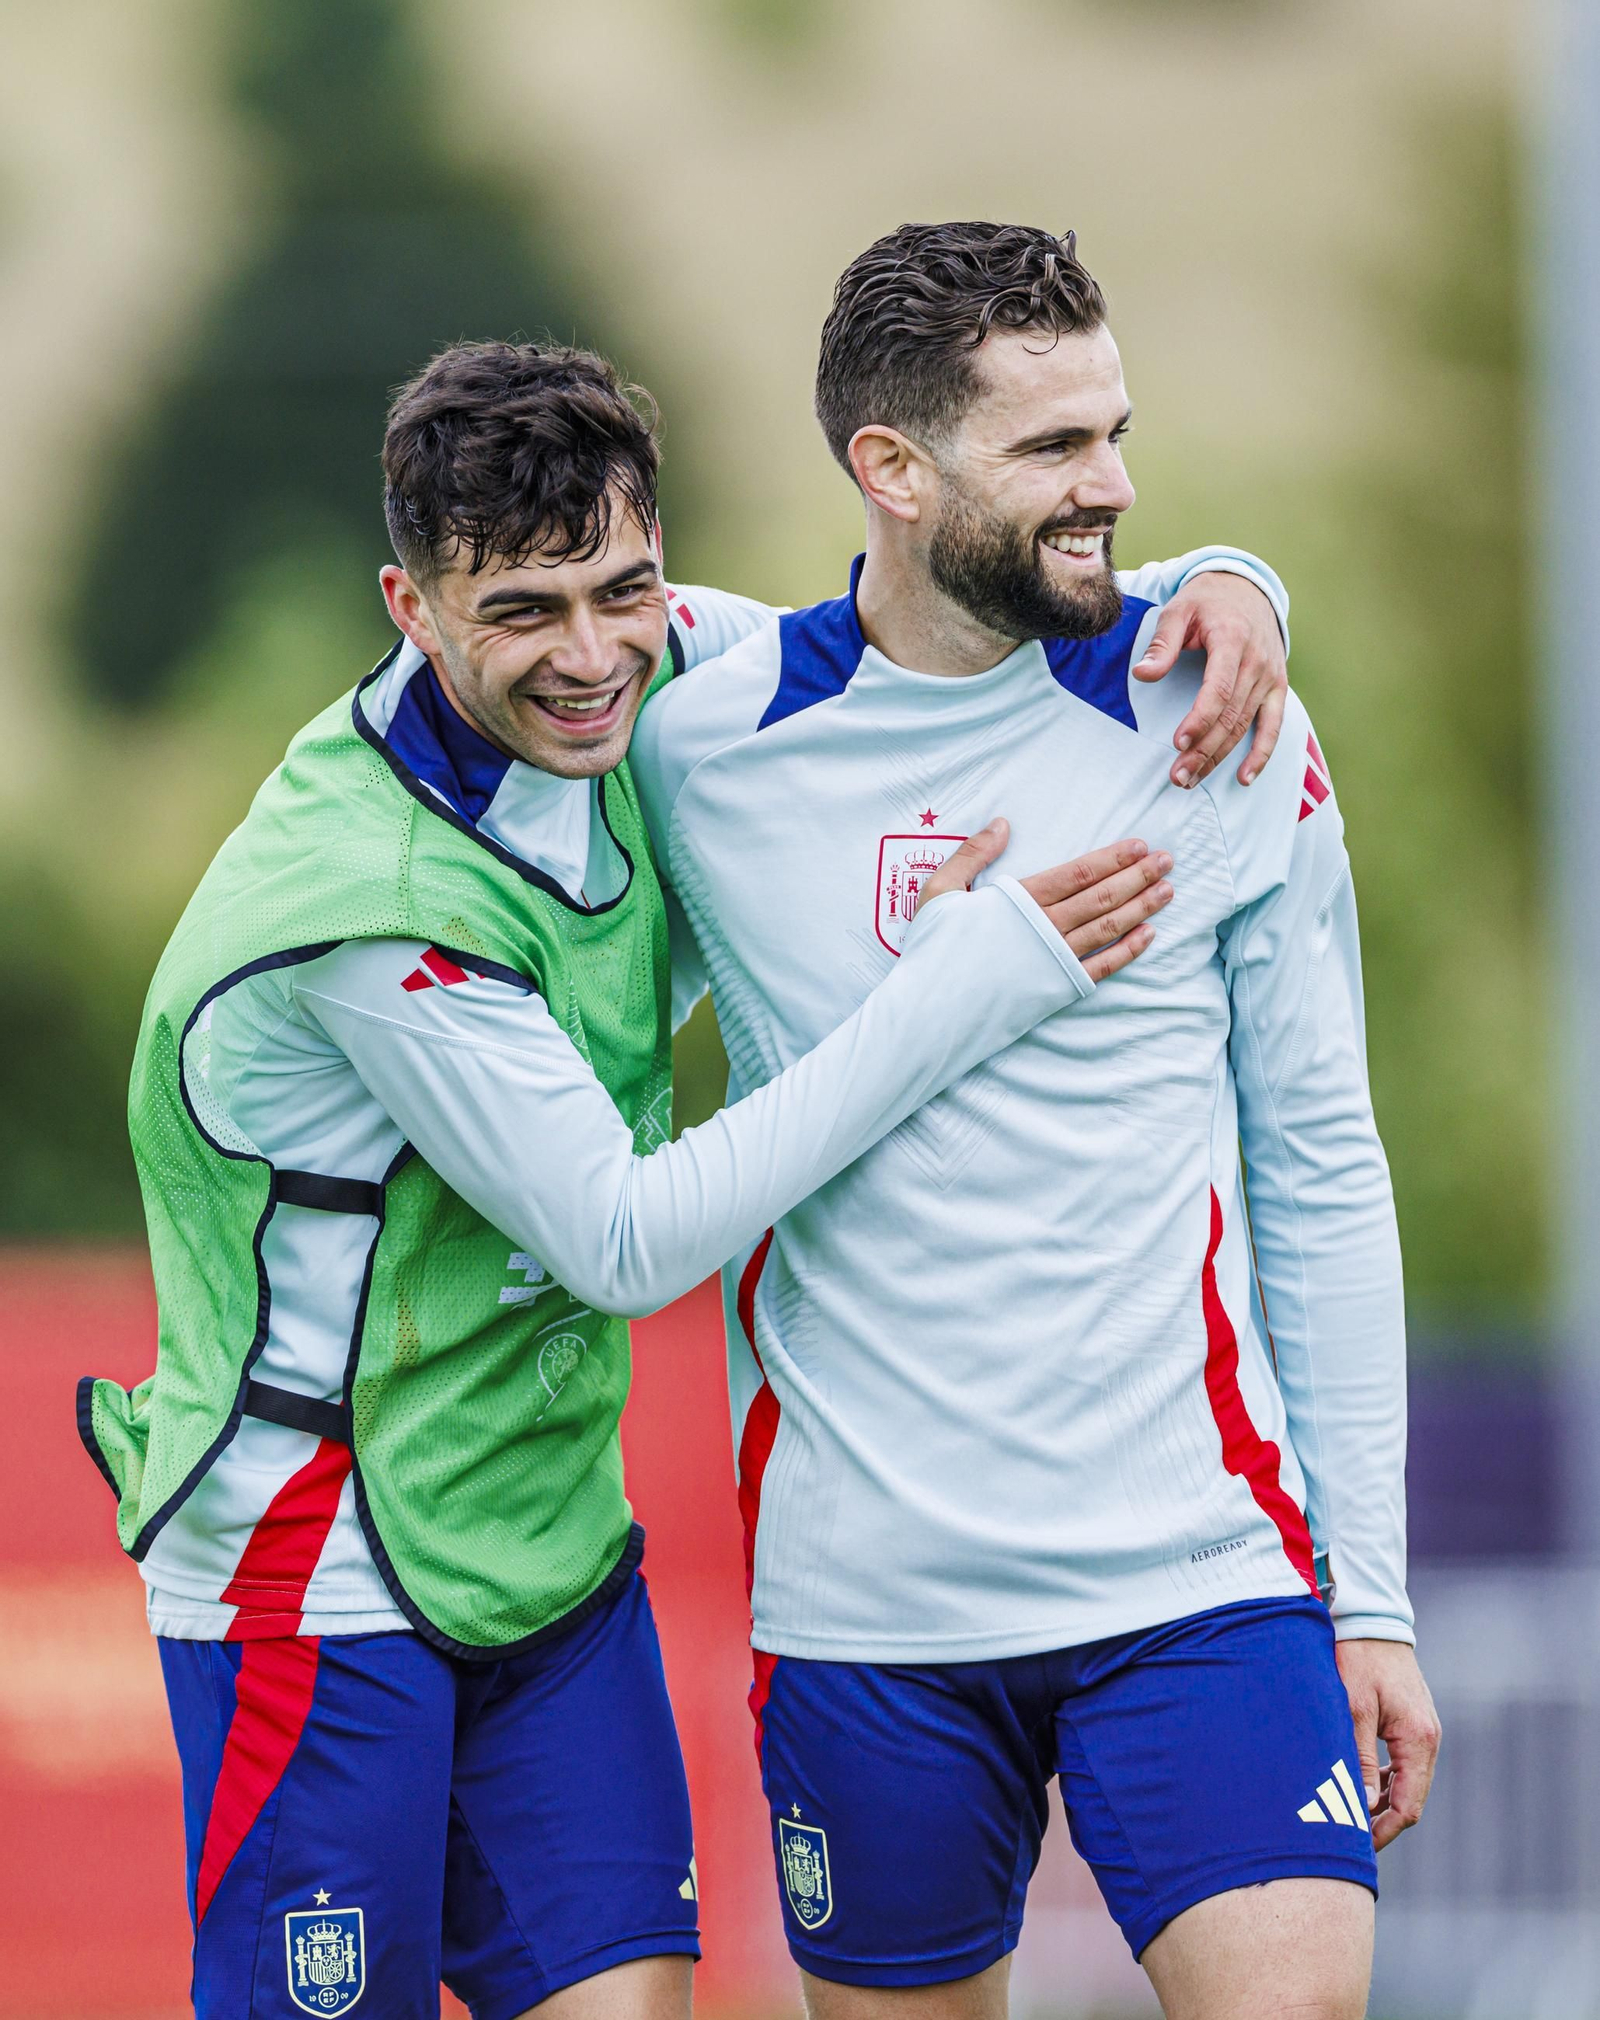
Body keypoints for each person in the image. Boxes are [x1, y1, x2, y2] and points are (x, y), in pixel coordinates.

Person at [78, 340, 1291, 2020]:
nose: (590, 660)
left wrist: (1225, 584)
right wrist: (969, 980)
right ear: (411, 607)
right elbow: (630, 1240)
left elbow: (921, 605)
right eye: (523, 614)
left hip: (550, 1552)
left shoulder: (656, 670)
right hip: (316, 1571)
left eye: (622, 590)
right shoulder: (370, 898)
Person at [631, 224, 1441, 2020]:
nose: (1119, 487)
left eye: (1118, 434)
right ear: (892, 472)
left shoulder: (1213, 710)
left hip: (1201, 1576)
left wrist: (1366, 1594)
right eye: (1056, 450)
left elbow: (1323, 1169)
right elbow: (510, 670)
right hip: (868, 1615)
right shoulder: (704, 748)